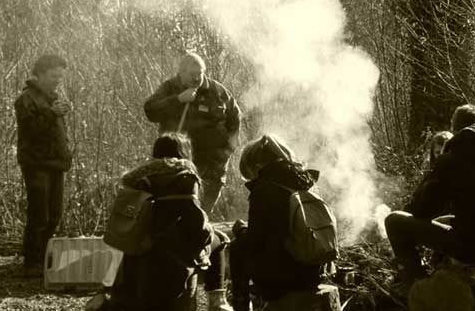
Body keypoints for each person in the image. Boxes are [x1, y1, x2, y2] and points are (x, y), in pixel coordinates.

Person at [386, 105, 475, 292]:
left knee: (394, 221)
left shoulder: (451, 160)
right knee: (451, 222)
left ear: (454, 130)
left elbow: (422, 210)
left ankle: (419, 290)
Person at [106, 133, 232, 311]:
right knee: (221, 239)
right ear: (184, 152)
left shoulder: (137, 180)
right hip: (177, 254)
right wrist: (210, 231)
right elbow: (196, 226)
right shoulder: (184, 176)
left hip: (140, 251)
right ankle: (218, 302)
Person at [229, 135, 324, 311]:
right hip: (312, 273)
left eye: (249, 175)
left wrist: (241, 230)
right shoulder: (305, 181)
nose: (251, 180)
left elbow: (256, 241)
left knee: (236, 247)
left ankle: (240, 305)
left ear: (257, 166)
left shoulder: (264, 190)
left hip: (282, 279)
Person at [144, 52, 241, 214]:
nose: (197, 79)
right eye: (192, 75)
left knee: (202, 213)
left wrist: (228, 150)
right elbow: (150, 110)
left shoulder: (217, 91)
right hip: (177, 167)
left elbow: (235, 118)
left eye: (200, 74)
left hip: (212, 167)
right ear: (181, 73)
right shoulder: (170, 88)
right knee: (177, 211)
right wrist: (178, 100)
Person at [14, 54, 72, 276]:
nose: (58, 80)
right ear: (40, 74)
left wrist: (58, 112)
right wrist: (52, 114)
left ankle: (44, 259)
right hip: (37, 164)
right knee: (39, 214)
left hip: (55, 163)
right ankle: (32, 263)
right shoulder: (26, 99)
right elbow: (29, 131)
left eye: (60, 76)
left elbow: (53, 132)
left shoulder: (50, 98)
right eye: (53, 75)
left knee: (54, 214)